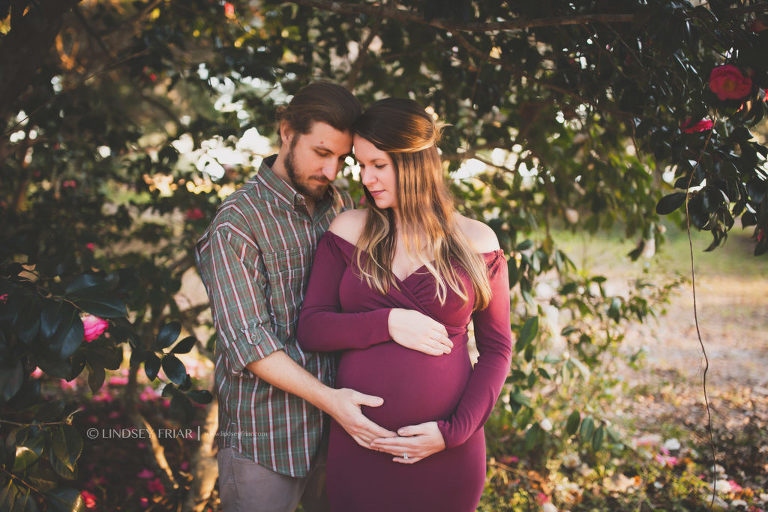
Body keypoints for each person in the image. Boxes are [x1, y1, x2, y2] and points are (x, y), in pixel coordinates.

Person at [297, 98, 513, 511]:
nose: (366, 178)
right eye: (361, 166)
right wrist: (388, 322)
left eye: (378, 165)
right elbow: (312, 327)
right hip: (362, 443)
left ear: (415, 161)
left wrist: (454, 432)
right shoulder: (350, 231)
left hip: (446, 451)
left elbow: (498, 349)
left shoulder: (478, 242)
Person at [196, 82, 400, 512]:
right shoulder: (236, 225)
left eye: (342, 160)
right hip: (266, 439)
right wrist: (332, 401)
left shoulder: (340, 206)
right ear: (287, 130)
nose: (331, 171)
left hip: (340, 435)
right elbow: (248, 342)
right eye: (322, 153)